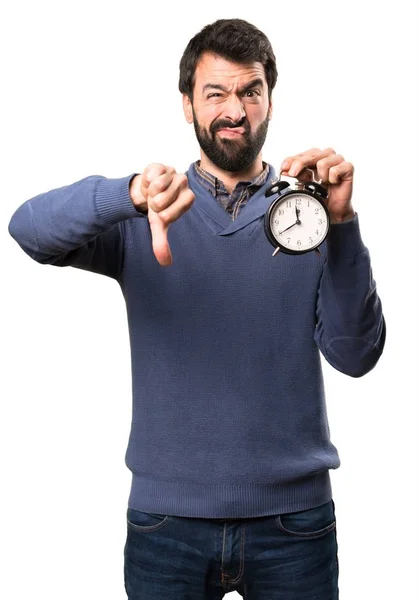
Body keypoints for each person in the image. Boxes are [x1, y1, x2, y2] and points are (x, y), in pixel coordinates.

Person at [8, 17, 385, 600]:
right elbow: (28, 228)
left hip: (295, 525)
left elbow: (356, 354)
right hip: (167, 523)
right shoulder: (146, 216)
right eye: (215, 93)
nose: (234, 109)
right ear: (187, 105)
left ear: (268, 100)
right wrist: (129, 192)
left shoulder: (308, 220)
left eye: (249, 91)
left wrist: (341, 225)